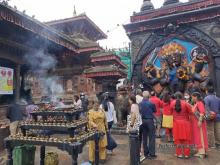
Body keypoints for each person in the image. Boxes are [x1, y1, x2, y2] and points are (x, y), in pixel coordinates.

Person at [171, 92, 192, 158]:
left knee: (177, 139)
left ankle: (179, 154)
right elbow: (190, 112)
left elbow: (171, 112)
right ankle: (186, 154)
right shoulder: (186, 104)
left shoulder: (172, 103)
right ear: (182, 97)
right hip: (185, 123)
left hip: (176, 124)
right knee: (186, 140)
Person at [88, 99, 108, 164]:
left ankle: (102, 158)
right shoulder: (90, 112)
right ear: (92, 105)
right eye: (95, 105)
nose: (97, 106)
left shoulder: (102, 110)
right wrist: (94, 125)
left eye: (98, 105)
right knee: (92, 145)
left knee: (103, 144)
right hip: (94, 130)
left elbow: (105, 120)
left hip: (102, 129)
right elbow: (90, 121)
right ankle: (92, 159)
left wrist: (107, 128)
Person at [139, 91, 156, 159]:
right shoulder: (151, 103)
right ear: (148, 96)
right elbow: (155, 111)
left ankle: (146, 152)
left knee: (144, 137)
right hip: (149, 120)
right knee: (151, 137)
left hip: (142, 120)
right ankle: (152, 153)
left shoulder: (140, 104)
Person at [191, 92, 208, 158]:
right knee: (198, 137)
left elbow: (202, 113)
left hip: (199, 123)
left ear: (195, 97)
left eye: (192, 97)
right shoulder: (196, 103)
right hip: (196, 123)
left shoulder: (200, 103)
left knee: (201, 137)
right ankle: (200, 151)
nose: (192, 98)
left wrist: (200, 121)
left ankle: (202, 153)